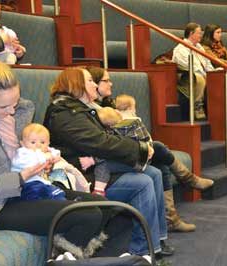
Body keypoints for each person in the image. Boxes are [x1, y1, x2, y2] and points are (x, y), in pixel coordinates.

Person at [0, 48, 105, 255]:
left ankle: (70, 257)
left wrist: (40, 161)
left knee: (105, 206)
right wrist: (20, 177)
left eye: (15, 103)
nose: (11, 111)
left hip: (25, 190)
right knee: (87, 215)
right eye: (4, 107)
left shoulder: (15, 117)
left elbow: (24, 153)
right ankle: (63, 258)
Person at [43, 67, 173, 265]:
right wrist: (139, 149)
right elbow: (100, 143)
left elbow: (105, 140)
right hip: (83, 177)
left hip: (97, 167)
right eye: (89, 81)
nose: (95, 85)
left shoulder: (79, 109)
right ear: (75, 84)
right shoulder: (64, 113)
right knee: (142, 182)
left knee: (153, 172)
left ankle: (154, 245)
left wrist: (139, 149)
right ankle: (143, 251)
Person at [81, 77, 213, 233]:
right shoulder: (95, 110)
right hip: (115, 158)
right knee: (158, 148)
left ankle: (172, 215)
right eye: (105, 80)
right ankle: (187, 182)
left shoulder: (107, 104)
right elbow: (108, 141)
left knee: (160, 161)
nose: (110, 83)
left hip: (127, 152)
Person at [11, 123, 90, 200]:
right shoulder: (23, 153)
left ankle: (66, 203)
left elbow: (55, 152)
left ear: (48, 143)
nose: (38, 145)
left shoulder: (45, 151)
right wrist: (45, 157)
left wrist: (54, 157)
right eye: (33, 142)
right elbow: (24, 162)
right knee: (47, 192)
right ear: (22, 143)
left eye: (42, 142)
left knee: (56, 192)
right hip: (26, 184)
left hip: (41, 182)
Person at [172, 22, 215, 120]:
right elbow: (193, 68)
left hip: (201, 73)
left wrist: (214, 74)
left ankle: (218, 110)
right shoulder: (180, 49)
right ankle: (197, 106)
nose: (201, 35)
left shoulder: (199, 47)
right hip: (186, 77)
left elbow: (207, 64)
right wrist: (206, 75)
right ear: (191, 34)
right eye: (199, 33)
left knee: (220, 75)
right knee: (199, 78)